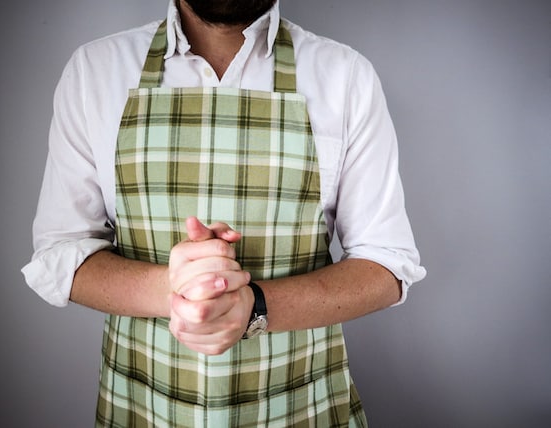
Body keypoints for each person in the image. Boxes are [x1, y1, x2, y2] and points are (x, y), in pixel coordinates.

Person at [22, 0, 426, 426]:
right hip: (144, 408)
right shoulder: (95, 70)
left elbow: (385, 264)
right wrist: (179, 290)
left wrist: (254, 306)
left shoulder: (344, 75)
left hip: (300, 406)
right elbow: (61, 252)